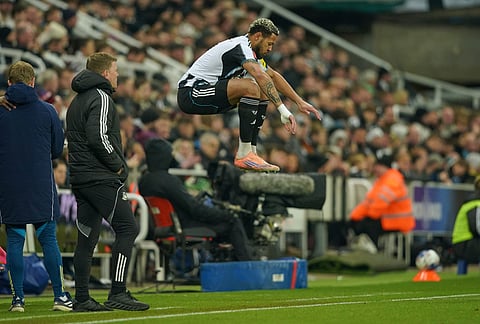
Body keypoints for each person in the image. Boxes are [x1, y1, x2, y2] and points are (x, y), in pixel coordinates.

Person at [177, 18, 321, 172]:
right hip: (191, 93)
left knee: (261, 89)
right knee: (252, 86)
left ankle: (251, 152)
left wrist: (299, 102)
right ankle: (244, 154)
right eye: (269, 43)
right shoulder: (241, 46)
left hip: (211, 95)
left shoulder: (252, 54)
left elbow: (272, 76)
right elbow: (260, 76)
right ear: (257, 36)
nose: (270, 49)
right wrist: (282, 109)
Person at [65, 52, 149, 312]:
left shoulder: (76, 101)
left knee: (86, 239)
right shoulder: (101, 98)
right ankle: (118, 292)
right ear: (104, 73)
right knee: (128, 229)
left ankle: (81, 298)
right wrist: (117, 165)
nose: (117, 76)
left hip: (80, 178)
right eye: (115, 71)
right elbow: (98, 137)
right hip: (101, 177)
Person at [0, 61, 73, 312]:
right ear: (33, 82)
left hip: (9, 182)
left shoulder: (1, 109)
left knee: (15, 239)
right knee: (48, 238)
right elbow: (56, 150)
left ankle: (17, 299)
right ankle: (60, 296)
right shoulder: (48, 111)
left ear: (9, 83)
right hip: (40, 181)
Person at [138, 138, 253, 261]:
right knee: (232, 222)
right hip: (185, 225)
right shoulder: (168, 181)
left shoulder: (144, 181)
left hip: (164, 226)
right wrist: (225, 214)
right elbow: (195, 209)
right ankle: (247, 265)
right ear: (164, 156)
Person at [349, 153, 416, 248]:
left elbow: (380, 204)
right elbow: (368, 202)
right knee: (360, 224)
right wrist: (354, 217)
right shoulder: (383, 180)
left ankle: (373, 252)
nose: (375, 169)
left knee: (368, 226)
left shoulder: (392, 180)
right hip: (389, 219)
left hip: (397, 221)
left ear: (383, 167)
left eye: (377, 166)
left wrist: (367, 216)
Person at [452, 175, 480, 269]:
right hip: (464, 244)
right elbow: (476, 228)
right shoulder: (476, 203)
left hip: (463, 242)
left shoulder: (471, 202)